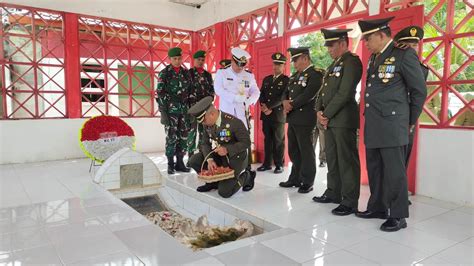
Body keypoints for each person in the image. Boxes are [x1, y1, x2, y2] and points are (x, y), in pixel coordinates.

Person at [356, 17, 427, 232]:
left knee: (395, 172)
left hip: (394, 123)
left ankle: (398, 215)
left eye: (368, 38)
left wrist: (408, 121)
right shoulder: (374, 58)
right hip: (375, 122)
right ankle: (377, 207)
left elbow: (419, 91)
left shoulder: (403, 55)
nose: (365, 43)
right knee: (375, 168)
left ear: (381, 35)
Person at [312, 28, 362, 216]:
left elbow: (345, 92)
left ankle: (349, 201)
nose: (328, 50)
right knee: (332, 157)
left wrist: (327, 114)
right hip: (330, 120)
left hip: (343, 119)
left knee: (346, 160)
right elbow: (323, 91)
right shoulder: (333, 65)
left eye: (331, 45)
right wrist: (318, 110)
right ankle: (334, 192)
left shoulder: (352, 62)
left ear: (342, 43)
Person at [187, 96, 253, 198]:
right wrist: (209, 159)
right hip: (220, 155)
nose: (203, 124)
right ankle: (213, 183)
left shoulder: (234, 122)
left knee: (224, 192)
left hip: (236, 158)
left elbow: (246, 142)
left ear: (212, 114)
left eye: (204, 121)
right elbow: (204, 143)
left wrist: (227, 149)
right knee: (193, 160)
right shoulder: (207, 123)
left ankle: (247, 176)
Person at [279, 47, 324, 194]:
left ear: (305, 58)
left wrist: (291, 104)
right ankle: (295, 178)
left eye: (296, 60)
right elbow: (285, 92)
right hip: (292, 118)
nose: (294, 64)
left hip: (305, 118)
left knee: (306, 151)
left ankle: (307, 181)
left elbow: (309, 94)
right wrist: (284, 101)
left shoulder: (315, 74)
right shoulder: (294, 76)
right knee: (294, 150)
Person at [214, 47, 260, 190]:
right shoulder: (222, 73)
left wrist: (249, 101)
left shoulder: (248, 75)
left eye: (243, 65)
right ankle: (223, 174)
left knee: (244, 143)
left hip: (242, 116)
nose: (240, 68)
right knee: (224, 142)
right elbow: (218, 90)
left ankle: (247, 174)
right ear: (232, 60)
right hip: (226, 116)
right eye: (238, 64)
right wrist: (234, 98)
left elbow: (255, 91)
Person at [394, 26, 428, 166]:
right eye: (407, 45)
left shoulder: (421, 69)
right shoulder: (393, 64)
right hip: (391, 117)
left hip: (407, 119)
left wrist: (411, 121)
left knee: (402, 162)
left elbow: (418, 94)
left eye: (414, 45)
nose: (411, 49)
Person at [156, 47, 192, 175]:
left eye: (179, 58)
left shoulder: (186, 73)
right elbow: (160, 93)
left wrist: (191, 109)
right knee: (171, 137)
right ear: (170, 59)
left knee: (184, 137)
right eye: (174, 59)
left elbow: (190, 92)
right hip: (170, 111)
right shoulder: (165, 73)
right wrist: (164, 112)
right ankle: (170, 164)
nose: (177, 61)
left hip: (184, 111)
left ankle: (180, 163)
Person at [257, 52, 289, 174]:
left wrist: (269, 107)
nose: (276, 67)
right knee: (268, 140)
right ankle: (266, 164)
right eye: (274, 64)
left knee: (278, 140)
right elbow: (262, 94)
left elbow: (283, 97)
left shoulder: (286, 80)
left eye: (279, 65)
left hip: (278, 115)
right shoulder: (267, 79)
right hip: (266, 115)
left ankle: (279, 164)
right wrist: (264, 106)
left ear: (283, 66)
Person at [187, 50, 215, 157]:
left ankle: (202, 155)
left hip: (205, 109)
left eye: (203, 60)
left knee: (204, 133)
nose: (201, 62)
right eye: (198, 60)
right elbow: (185, 91)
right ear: (194, 60)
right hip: (193, 109)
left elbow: (212, 91)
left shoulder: (207, 75)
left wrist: (209, 101)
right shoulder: (189, 74)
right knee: (191, 133)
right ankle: (190, 156)